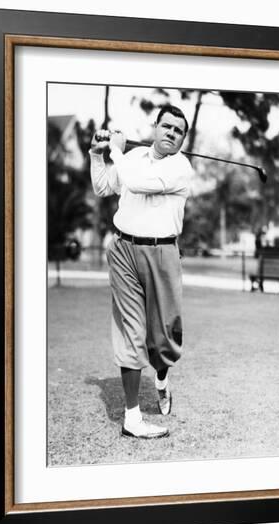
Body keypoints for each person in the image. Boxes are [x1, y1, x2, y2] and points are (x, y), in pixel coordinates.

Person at [89, 105, 194, 439]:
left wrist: (117, 151)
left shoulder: (181, 167)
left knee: (162, 336)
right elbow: (104, 187)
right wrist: (97, 155)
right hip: (123, 249)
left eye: (178, 131)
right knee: (131, 331)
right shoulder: (132, 158)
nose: (170, 134)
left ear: (182, 138)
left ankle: (161, 376)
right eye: (166, 126)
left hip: (162, 253)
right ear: (156, 126)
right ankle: (132, 418)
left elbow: (138, 182)